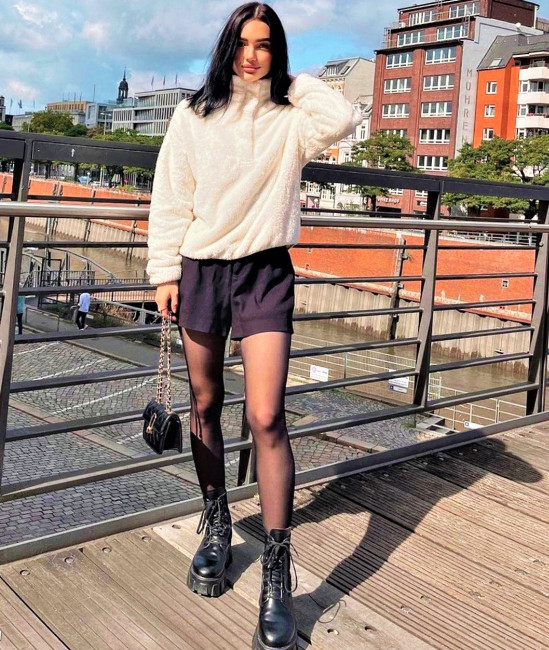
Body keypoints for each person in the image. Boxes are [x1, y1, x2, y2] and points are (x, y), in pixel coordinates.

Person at [147, 4, 360, 648]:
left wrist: (290, 81)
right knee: (205, 404)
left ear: (278, 53)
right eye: (242, 43)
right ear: (226, 47)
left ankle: (276, 567)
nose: (252, 55)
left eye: (265, 45)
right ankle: (215, 521)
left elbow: (342, 116)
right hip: (201, 270)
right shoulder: (193, 115)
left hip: (266, 271)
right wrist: (165, 272)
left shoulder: (290, 119)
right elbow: (170, 197)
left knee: (267, 416)